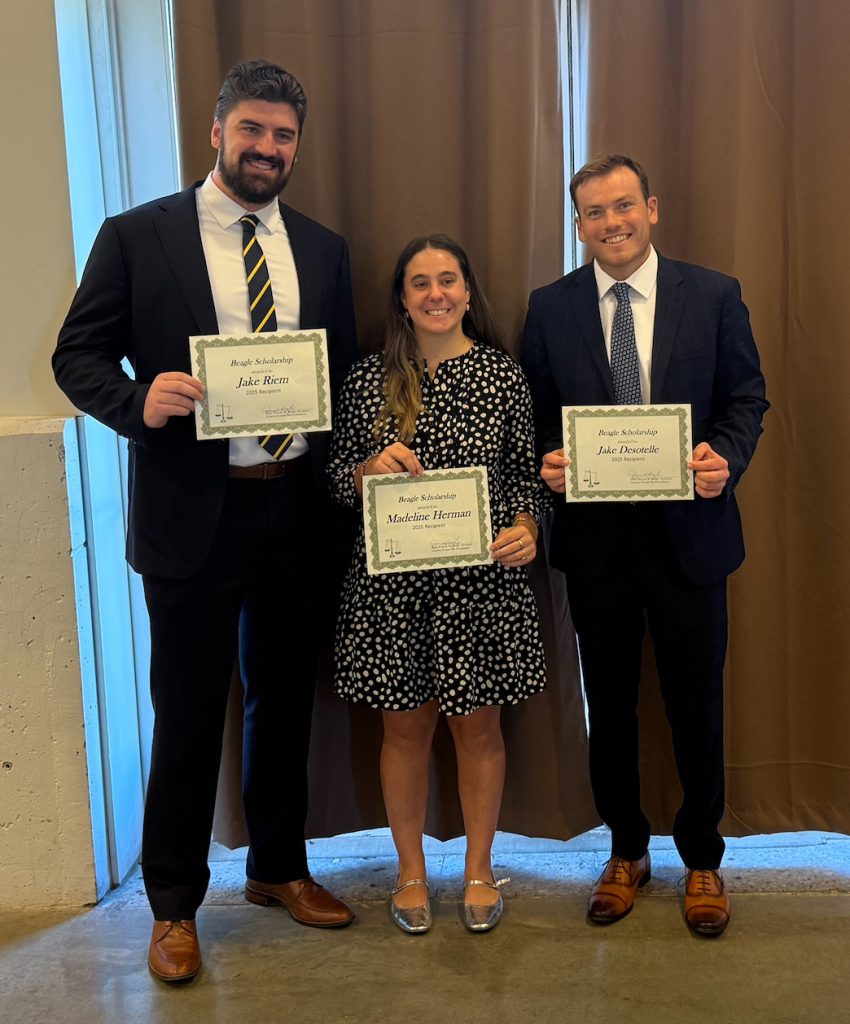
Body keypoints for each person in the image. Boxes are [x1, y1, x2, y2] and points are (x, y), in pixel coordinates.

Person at [53, 60, 359, 982]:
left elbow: (341, 379)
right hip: (194, 513)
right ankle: (176, 904)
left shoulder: (323, 247)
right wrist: (138, 400)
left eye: (284, 136)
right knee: (187, 710)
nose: (268, 149)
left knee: (281, 701)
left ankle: (277, 868)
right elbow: (77, 355)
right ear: (217, 131)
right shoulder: (136, 236)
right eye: (253, 130)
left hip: (296, 510)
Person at [522, 154, 768, 937]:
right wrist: (546, 463)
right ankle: (626, 851)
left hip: (692, 540)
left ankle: (702, 859)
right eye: (594, 213)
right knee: (613, 707)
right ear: (579, 224)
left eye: (623, 206)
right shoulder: (550, 307)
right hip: (598, 547)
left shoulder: (715, 294)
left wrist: (723, 459)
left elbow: (746, 398)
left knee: (698, 704)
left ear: (652, 209)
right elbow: (535, 417)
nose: (612, 224)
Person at [328, 234, 547, 934]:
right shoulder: (367, 379)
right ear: (402, 297)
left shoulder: (501, 376)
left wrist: (527, 527)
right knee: (405, 731)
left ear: (467, 291)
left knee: (479, 731)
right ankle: (411, 871)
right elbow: (334, 479)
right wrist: (364, 472)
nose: (435, 294)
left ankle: (479, 868)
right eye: (420, 282)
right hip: (391, 591)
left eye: (448, 280)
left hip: (480, 588)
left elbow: (526, 477)